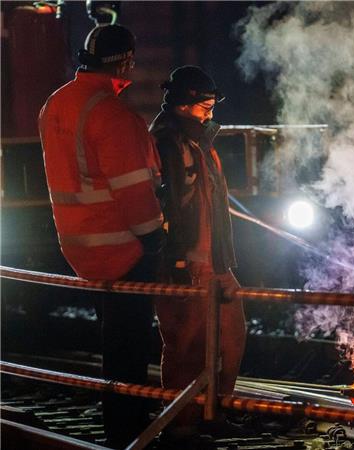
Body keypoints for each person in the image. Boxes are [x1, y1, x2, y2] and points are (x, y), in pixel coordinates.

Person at [38, 24, 164, 447]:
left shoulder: (55, 104)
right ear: (125, 61)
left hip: (80, 247)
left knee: (114, 345)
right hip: (123, 247)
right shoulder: (112, 113)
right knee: (130, 352)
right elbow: (133, 192)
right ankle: (129, 431)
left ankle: (120, 423)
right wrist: (156, 239)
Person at [149, 66, 246, 438]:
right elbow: (166, 205)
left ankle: (215, 411)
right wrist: (175, 261)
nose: (211, 111)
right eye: (206, 104)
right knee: (184, 345)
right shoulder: (167, 143)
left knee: (231, 336)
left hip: (214, 262)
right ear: (185, 104)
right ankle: (181, 424)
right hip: (185, 264)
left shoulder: (196, 143)